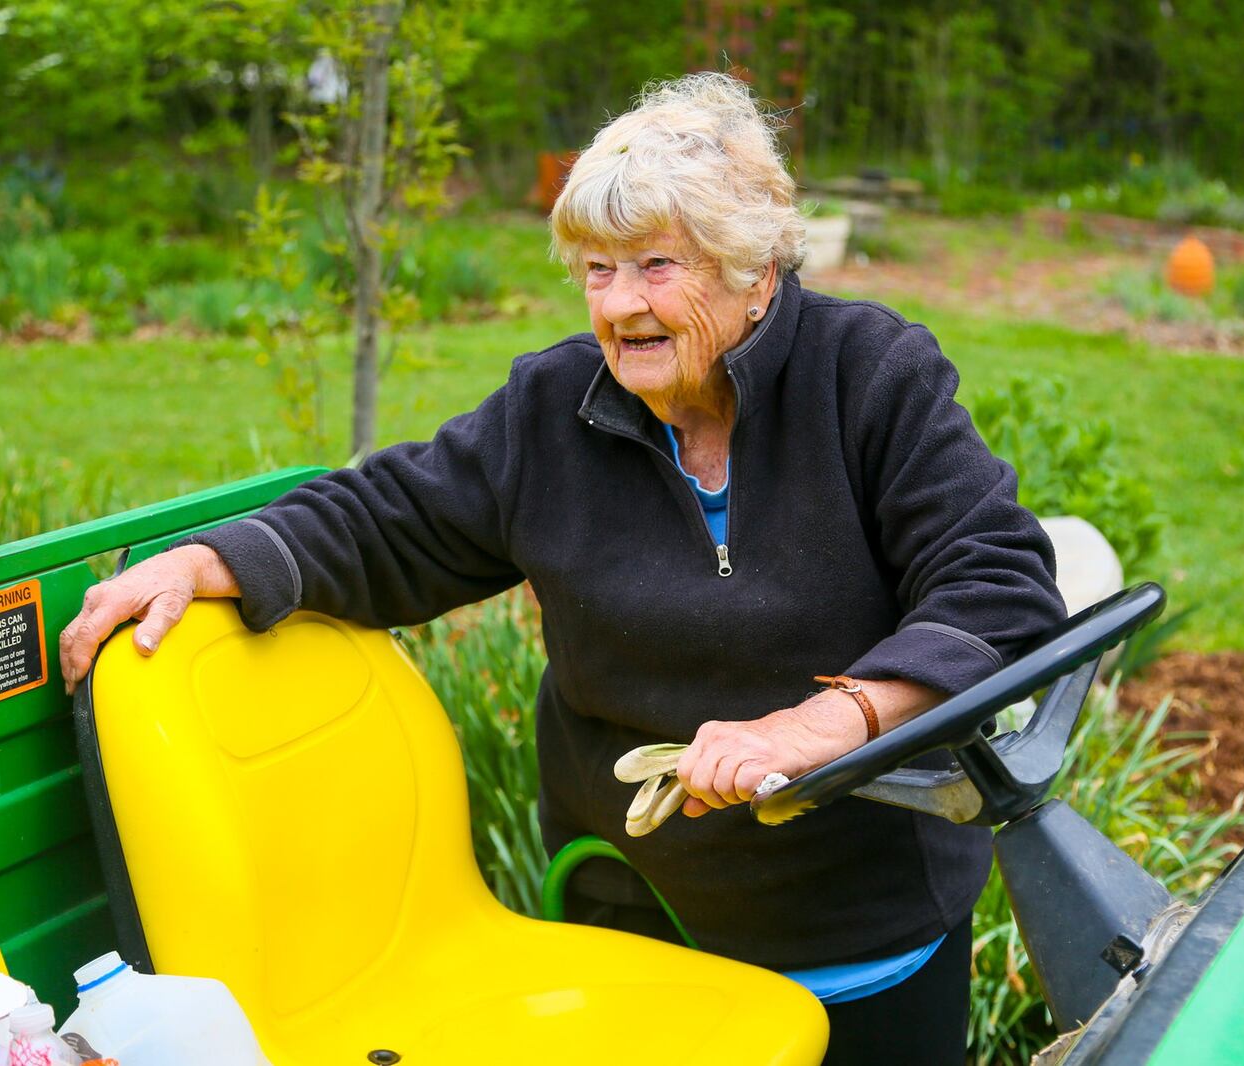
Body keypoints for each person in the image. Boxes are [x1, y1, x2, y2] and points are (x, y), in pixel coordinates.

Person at [59, 72, 1065, 1064]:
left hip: (862, 932)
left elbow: (998, 577)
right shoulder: (554, 408)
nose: (619, 304)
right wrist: (213, 558)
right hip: (641, 927)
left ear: (755, 271)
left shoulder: (869, 376)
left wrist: (824, 723)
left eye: (655, 265)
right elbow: (393, 518)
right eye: (595, 268)